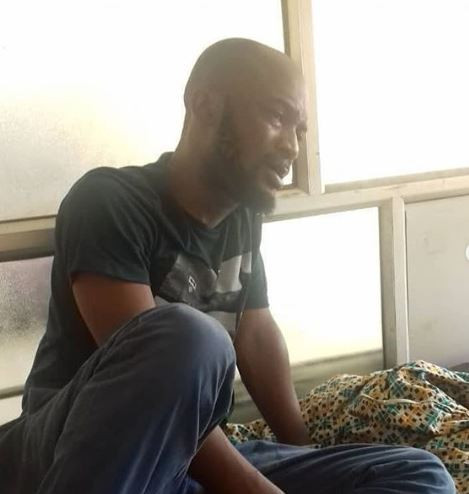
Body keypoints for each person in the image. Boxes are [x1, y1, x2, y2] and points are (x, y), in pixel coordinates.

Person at [0, 38, 455, 494]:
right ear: (205, 105)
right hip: (79, 451)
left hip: (185, 460)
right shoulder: (110, 202)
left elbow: (255, 335)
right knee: (192, 338)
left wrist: (300, 448)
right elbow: (158, 387)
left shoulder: (240, 218)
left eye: (299, 130)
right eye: (277, 117)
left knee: (421, 474)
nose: (293, 147)